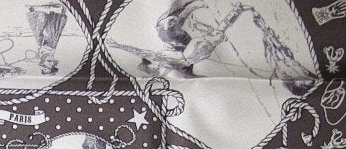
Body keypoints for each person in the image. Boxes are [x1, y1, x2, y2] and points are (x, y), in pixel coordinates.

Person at [107, 1, 315, 95]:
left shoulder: (165, 52)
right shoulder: (170, 57)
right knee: (214, 34)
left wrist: (120, 46)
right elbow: (147, 53)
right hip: (195, 56)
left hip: (195, 53)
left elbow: (146, 53)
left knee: (208, 33)